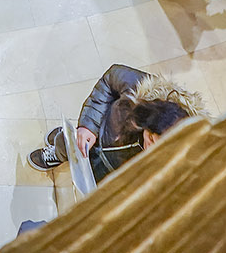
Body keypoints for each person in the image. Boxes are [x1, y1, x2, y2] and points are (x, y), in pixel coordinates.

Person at [27, 67, 196, 182]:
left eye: (160, 148)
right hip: (100, 133)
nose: (151, 148)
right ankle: (58, 151)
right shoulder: (140, 91)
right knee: (68, 144)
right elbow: (110, 79)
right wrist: (89, 126)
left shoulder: (177, 165)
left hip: (112, 170)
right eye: (151, 138)